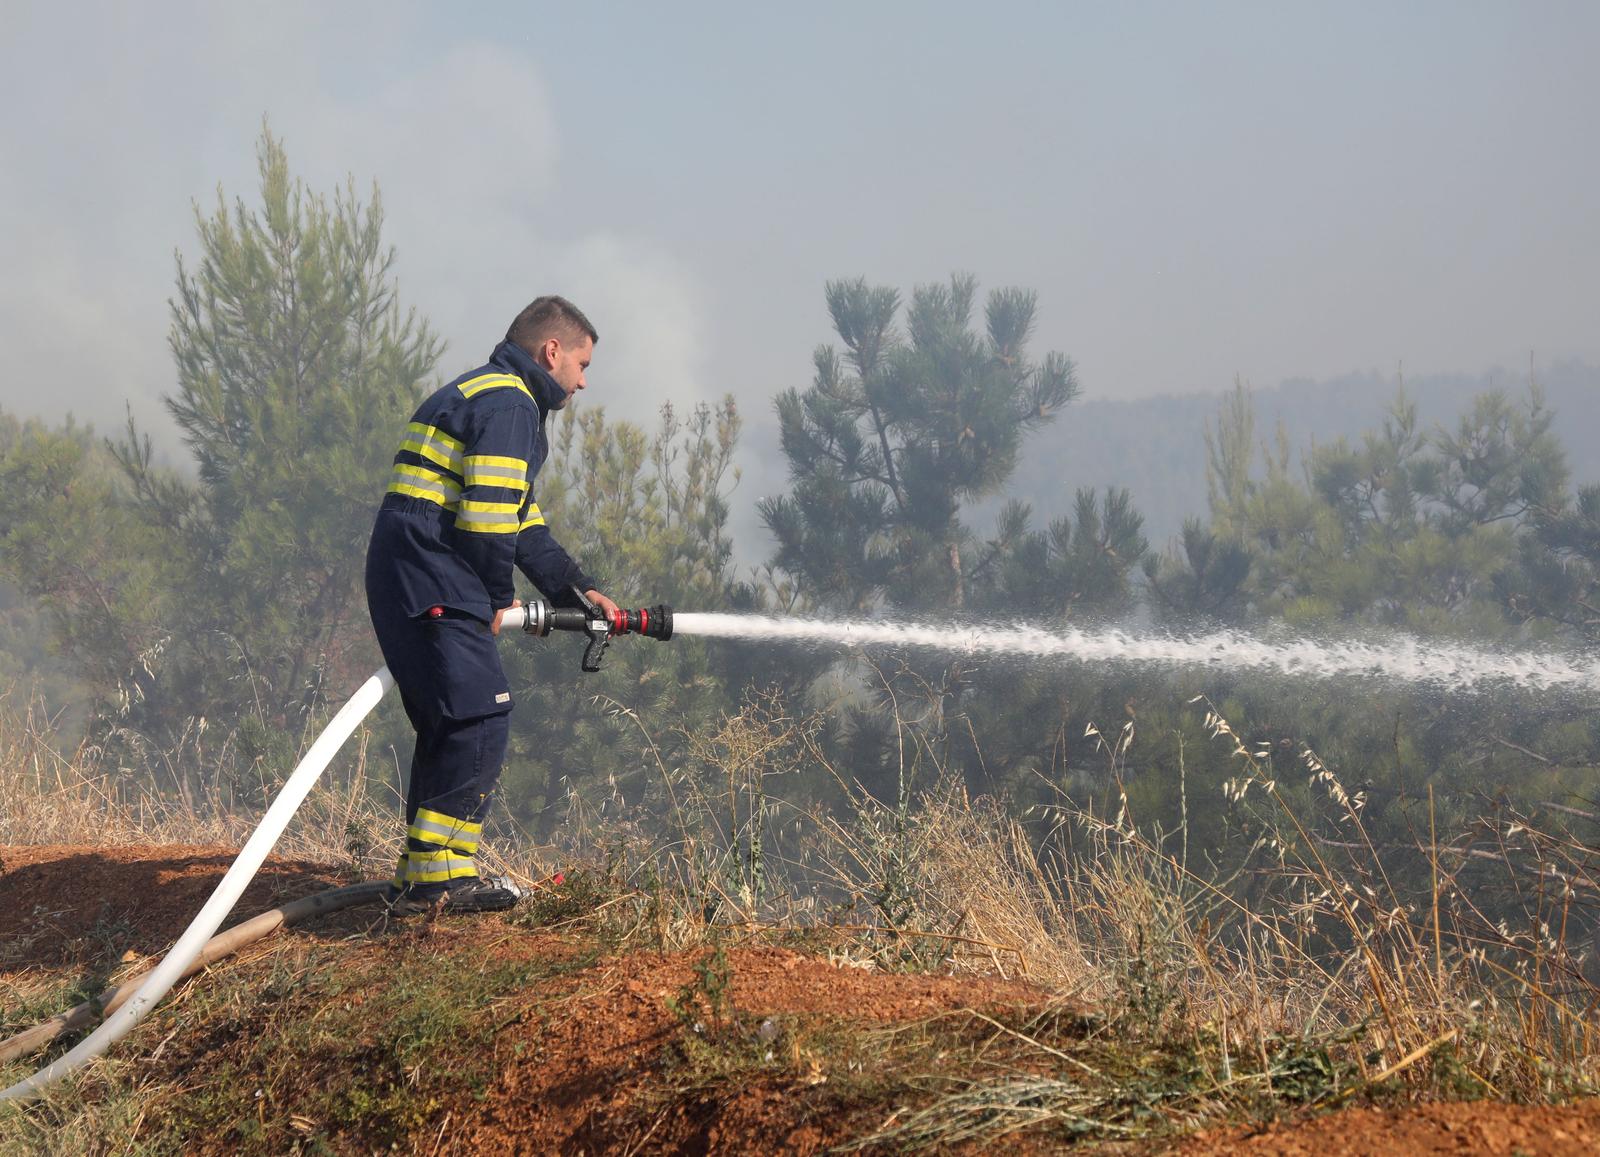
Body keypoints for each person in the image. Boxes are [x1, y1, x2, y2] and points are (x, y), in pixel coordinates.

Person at [365, 296, 619, 914]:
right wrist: (498, 601)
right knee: (481, 715)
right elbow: (484, 523)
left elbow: (518, 520)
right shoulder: (510, 403)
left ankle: (424, 877)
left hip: (418, 573)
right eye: (582, 365)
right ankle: (440, 884)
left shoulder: (491, 395)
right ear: (550, 351)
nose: (584, 381)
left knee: (454, 720)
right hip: (434, 575)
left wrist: (574, 590)